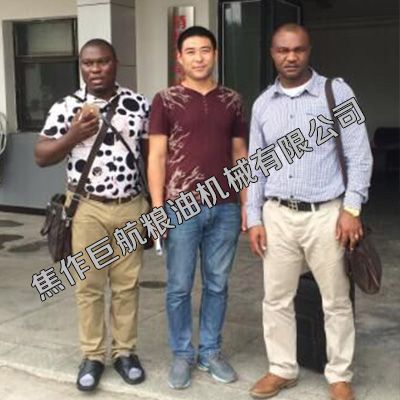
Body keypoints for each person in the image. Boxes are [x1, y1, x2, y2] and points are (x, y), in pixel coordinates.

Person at [247, 24, 372, 400]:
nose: (291, 57)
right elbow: (256, 167)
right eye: (283, 50)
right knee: (276, 298)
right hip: (278, 215)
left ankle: (339, 375)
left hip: (326, 215)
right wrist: (254, 217)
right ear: (272, 53)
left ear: (308, 51)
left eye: (298, 50)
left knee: (335, 299)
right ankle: (282, 369)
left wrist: (351, 209)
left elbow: (359, 154)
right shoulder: (263, 105)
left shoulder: (336, 92)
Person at [35, 39, 150, 391]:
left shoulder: (138, 104)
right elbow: (41, 155)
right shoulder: (66, 106)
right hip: (86, 208)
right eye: (88, 63)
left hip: (130, 205)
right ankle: (93, 355)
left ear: (116, 63)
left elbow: (151, 156)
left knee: (127, 285)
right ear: (81, 66)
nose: (95, 69)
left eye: (102, 61)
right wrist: (72, 135)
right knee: (88, 286)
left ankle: (125, 352)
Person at [148, 26, 248, 389]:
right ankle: (182, 354)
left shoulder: (232, 100)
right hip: (181, 207)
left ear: (215, 54)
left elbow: (240, 154)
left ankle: (210, 351)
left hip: (225, 207)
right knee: (178, 286)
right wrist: (158, 208)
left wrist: (246, 204)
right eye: (190, 51)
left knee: (217, 284)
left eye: (205, 50)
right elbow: (157, 157)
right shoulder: (165, 100)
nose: (199, 57)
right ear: (179, 58)